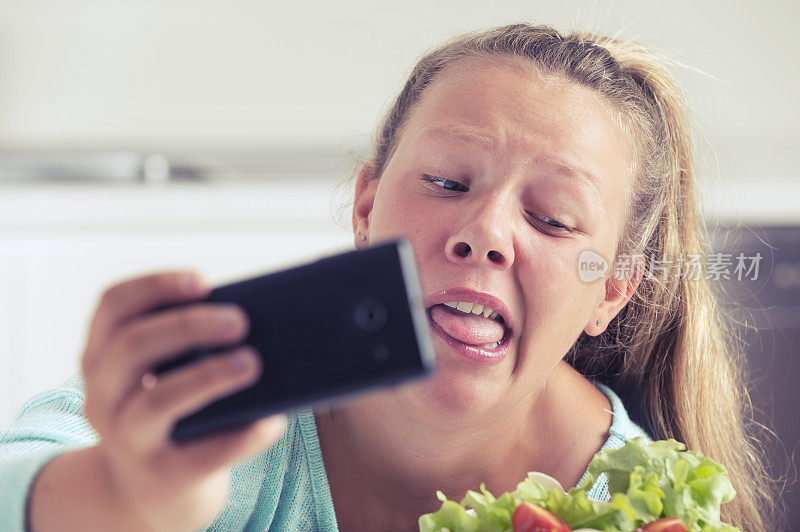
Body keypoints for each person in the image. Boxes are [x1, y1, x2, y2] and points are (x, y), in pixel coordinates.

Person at [0, 23, 776, 532]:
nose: (485, 234)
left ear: (611, 287)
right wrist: (129, 497)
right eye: (446, 183)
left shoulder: (639, 506)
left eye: (552, 218)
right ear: (367, 204)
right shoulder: (213, 421)